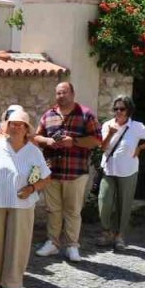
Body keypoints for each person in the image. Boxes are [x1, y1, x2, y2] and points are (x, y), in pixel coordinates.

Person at [0, 108, 52, 288]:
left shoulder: (33, 151)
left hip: (23, 204)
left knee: (17, 243)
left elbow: (46, 178)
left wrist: (32, 189)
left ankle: (12, 283)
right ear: (7, 126)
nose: (16, 127)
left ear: (27, 129)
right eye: (13, 124)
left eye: (21, 125)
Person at [32, 82, 102, 262]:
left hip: (75, 172)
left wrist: (74, 142)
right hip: (52, 171)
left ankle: (72, 246)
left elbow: (96, 140)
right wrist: (47, 141)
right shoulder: (49, 115)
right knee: (52, 210)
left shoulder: (85, 114)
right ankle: (53, 243)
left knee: (73, 211)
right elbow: (36, 137)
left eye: (64, 92)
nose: (61, 96)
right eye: (58, 93)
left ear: (73, 93)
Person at [96, 96, 145, 250]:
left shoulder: (136, 127)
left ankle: (120, 236)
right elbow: (102, 147)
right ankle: (107, 232)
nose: (118, 112)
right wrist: (111, 134)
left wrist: (140, 148)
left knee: (124, 206)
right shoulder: (108, 125)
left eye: (122, 109)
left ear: (129, 110)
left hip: (128, 171)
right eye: (116, 109)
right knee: (103, 201)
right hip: (109, 170)